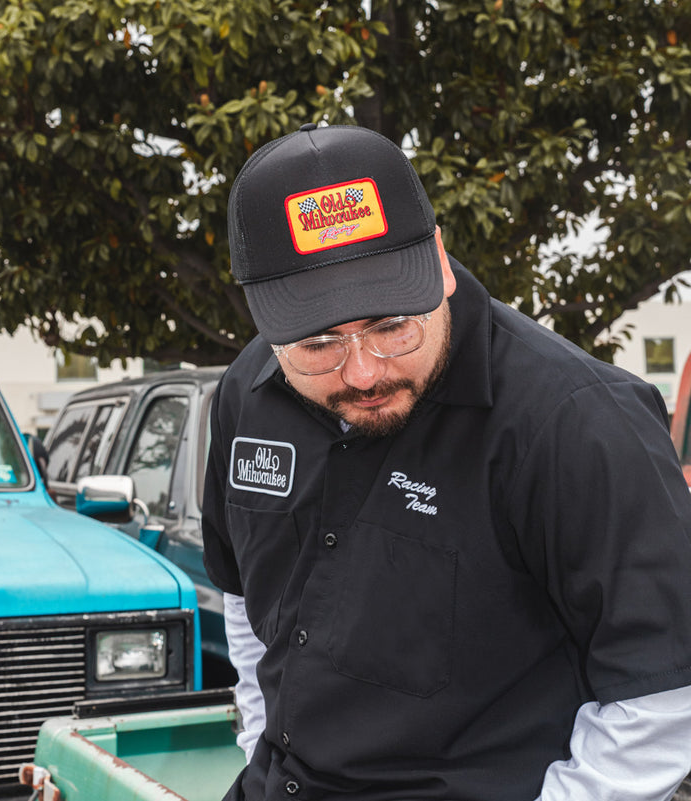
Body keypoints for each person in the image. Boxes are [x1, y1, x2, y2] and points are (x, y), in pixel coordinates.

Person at [201, 123, 691, 801]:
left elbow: (664, 694)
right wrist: (261, 734)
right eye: (317, 343)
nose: (365, 371)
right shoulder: (243, 394)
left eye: (392, 324)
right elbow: (242, 598)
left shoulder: (576, 422)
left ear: (435, 256)